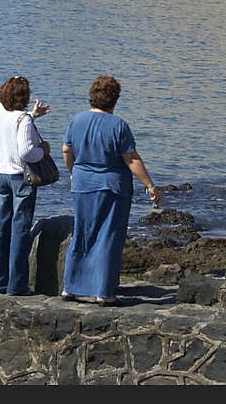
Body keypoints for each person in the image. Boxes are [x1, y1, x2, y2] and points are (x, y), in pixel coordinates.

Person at [60, 75, 161, 306]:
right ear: (114, 99)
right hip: (111, 185)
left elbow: (67, 150)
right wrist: (149, 184)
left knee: (82, 233)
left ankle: (70, 287)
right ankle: (103, 292)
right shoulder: (118, 125)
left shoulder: (77, 120)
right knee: (108, 236)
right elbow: (131, 159)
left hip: (82, 183)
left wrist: (72, 172)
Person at [0, 75, 51, 296]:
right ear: (23, 97)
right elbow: (26, 152)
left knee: (0, 228)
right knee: (20, 230)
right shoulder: (22, 119)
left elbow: (11, 127)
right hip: (20, 178)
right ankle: (17, 285)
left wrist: (33, 116)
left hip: (1, 174)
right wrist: (43, 150)